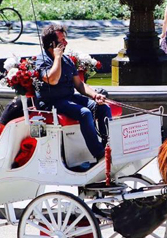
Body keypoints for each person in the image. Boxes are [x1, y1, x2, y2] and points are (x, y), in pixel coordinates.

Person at [36, 24, 111, 160]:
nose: (66, 43)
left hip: (69, 98)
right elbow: (52, 79)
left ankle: (109, 146)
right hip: (52, 103)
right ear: (52, 44)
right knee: (84, 113)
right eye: (62, 41)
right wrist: (57, 58)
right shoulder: (43, 60)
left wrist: (95, 95)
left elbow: (79, 84)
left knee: (103, 107)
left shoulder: (67, 60)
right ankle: (99, 154)